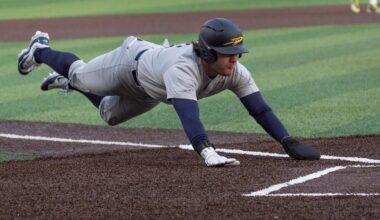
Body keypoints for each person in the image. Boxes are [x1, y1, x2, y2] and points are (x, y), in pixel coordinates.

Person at [17, 18, 320, 167]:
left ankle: (69, 84)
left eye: (238, 53)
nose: (236, 59)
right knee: (80, 73)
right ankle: (40, 49)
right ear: (207, 53)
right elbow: (189, 115)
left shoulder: (235, 72)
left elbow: (260, 109)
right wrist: (207, 152)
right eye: (229, 53)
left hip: (150, 89)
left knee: (109, 114)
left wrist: (287, 142)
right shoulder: (183, 69)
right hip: (126, 64)